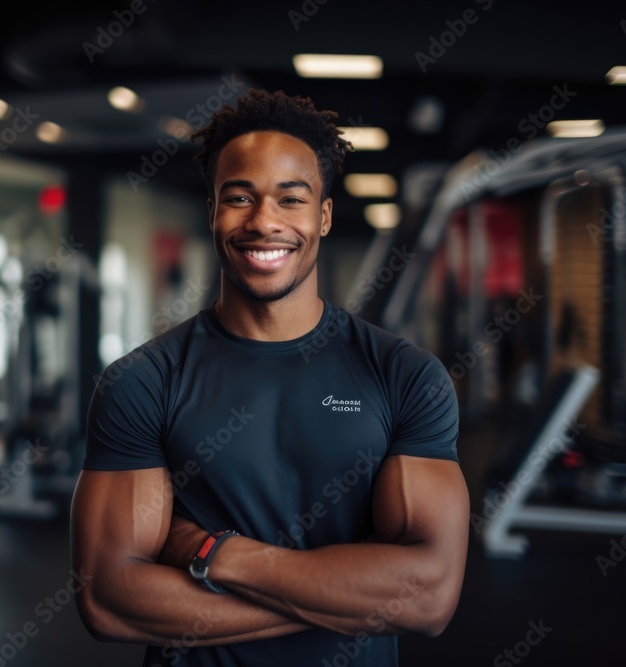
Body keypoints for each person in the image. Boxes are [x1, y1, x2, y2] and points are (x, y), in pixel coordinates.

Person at [71, 89, 468, 666]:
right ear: (212, 211)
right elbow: (109, 601)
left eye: (291, 199)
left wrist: (217, 553)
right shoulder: (142, 382)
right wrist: (341, 600)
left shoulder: (405, 377)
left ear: (323, 216)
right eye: (239, 197)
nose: (264, 222)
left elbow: (427, 596)